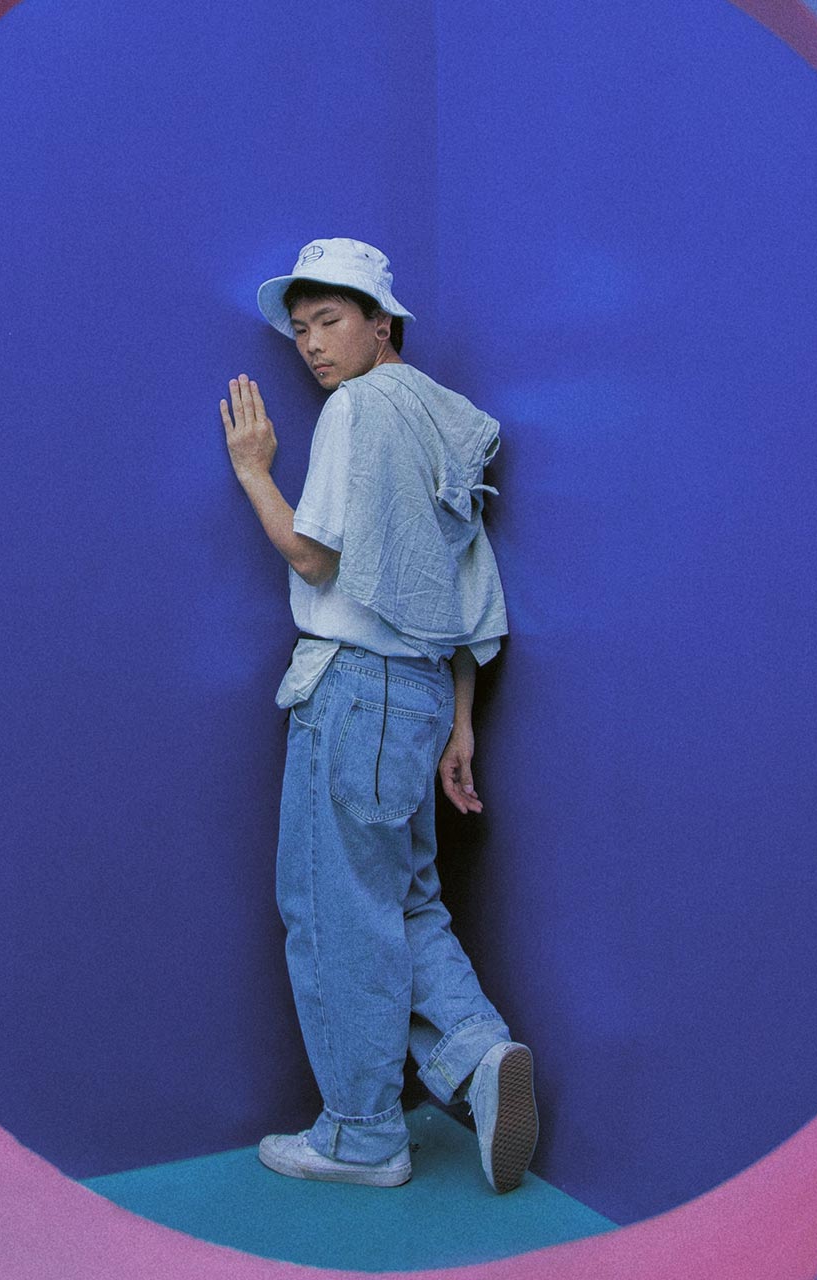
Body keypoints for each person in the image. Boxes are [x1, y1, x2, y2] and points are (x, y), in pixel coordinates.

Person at [218, 237, 536, 1194]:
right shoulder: (446, 418)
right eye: (301, 329)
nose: (314, 346)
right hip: (422, 696)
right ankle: (478, 1054)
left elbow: (315, 557)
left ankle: (362, 1134)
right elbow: (471, 590)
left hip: (353, 690)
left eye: (331, 321)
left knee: (332, 910)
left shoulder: (357, 409)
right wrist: (460, 723)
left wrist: (254, 469)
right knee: (403, 901)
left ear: (380, 326)